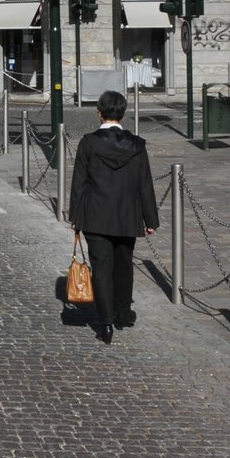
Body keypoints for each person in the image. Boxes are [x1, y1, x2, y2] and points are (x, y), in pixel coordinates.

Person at [69, 91, 159, 345]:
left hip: (95, 215)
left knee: (102, 268)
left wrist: (75, 216)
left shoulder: (88, 143)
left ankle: (105, 321)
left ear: (99, 113)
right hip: (127, 215)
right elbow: (145, 184)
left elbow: (79, 184)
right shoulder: (137, 145)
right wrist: (150, 219)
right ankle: (122, 314)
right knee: (124, 265)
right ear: (123, 113)